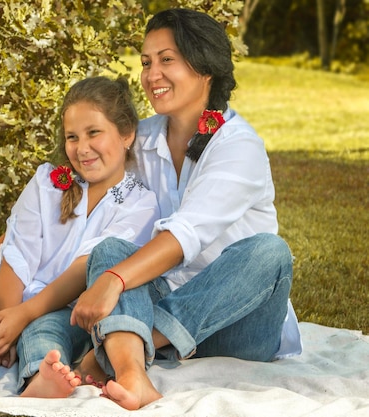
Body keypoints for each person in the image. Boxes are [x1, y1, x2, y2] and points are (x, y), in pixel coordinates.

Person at [67, 8, 303, 410]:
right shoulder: (140, 137)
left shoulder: (236, 144)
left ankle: (121, 344)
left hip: (238, 321)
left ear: (204, 67)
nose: (151, 74)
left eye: (166, 59)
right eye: (146, 62)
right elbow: (73, 187)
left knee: (270, 253)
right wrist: (2, 253)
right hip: (163, 297)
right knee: (110, 252)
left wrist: (115, 282)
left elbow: (184, 237)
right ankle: (132, 376)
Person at [0, 76, 160, 397]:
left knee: (43, 330)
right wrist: (3, 326)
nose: (82, 148)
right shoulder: (47, 182)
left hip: (71, 311)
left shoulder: (142, 204)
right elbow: (16, 252)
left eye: (94, 133)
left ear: (126, 134)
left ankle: (40, 379)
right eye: (72, 137)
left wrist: (22, 317)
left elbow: (84, 271)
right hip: (5, 301)